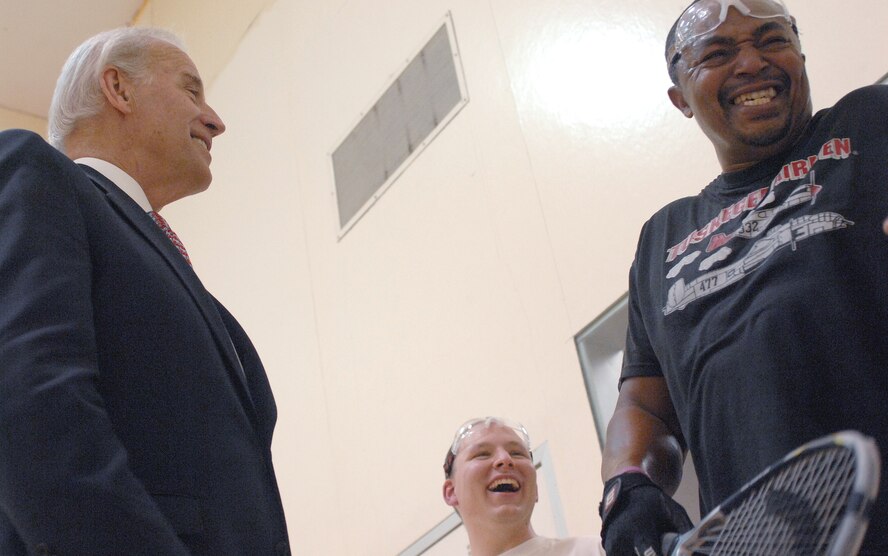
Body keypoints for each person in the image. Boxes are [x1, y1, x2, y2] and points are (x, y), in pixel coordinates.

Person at [598, 0, 888, 554]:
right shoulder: (661, 238)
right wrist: (627, 486)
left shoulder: (872, 123)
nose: (752, 63)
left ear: (800, 55)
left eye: (772, 40)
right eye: (719, 53)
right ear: (680, 98)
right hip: (763, 540)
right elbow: (643, 405)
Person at [0, 28, 290, 555]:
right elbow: (34, 415)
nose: (216, 120)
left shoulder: (192, 289)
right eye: (191, 90)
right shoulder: (37, 176)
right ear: (119, 89)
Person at [443, 417, 601, 555]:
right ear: (451, 492)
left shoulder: (599, 550)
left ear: (536, 489)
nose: (505, 459)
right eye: (482, 454)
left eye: (517, 453)